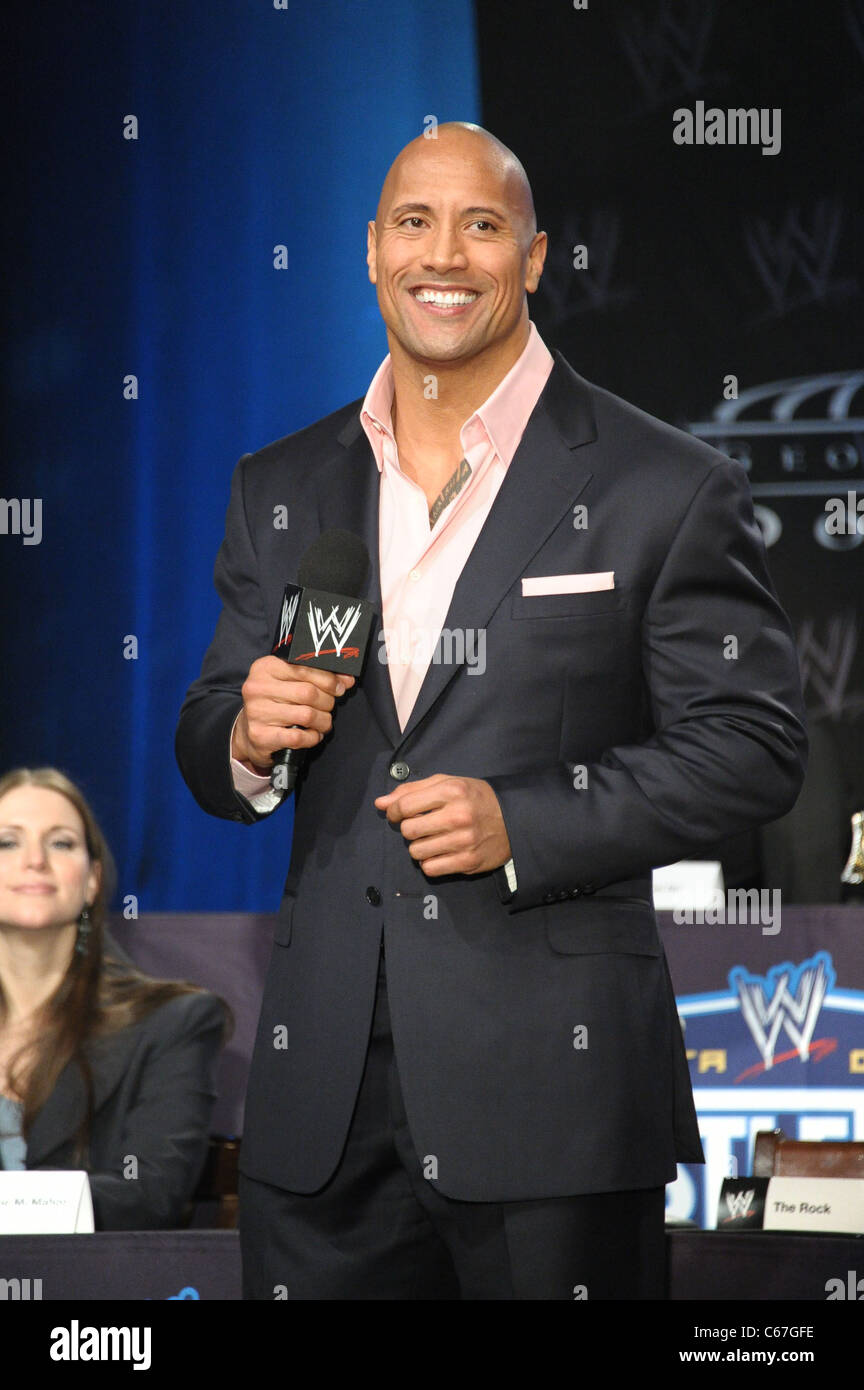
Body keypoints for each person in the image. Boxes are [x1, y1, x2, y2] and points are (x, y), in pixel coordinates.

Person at [176, 123, 807, 1299]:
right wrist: (247, 738)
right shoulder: (282, 482)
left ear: (533, 256)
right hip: (321, 1107)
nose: (445, 254)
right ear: (371, 250)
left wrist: (527, 821)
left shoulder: (662, 481)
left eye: (482, 225)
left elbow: (755, 748)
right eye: (414, 222)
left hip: (554, 1101)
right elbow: (211, 725)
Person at [0, 766, 229, 1229]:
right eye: (7, 842)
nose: (34, 861)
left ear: (92, 880)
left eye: (60, 842)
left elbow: (153, 1192)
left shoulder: (175, 1022)